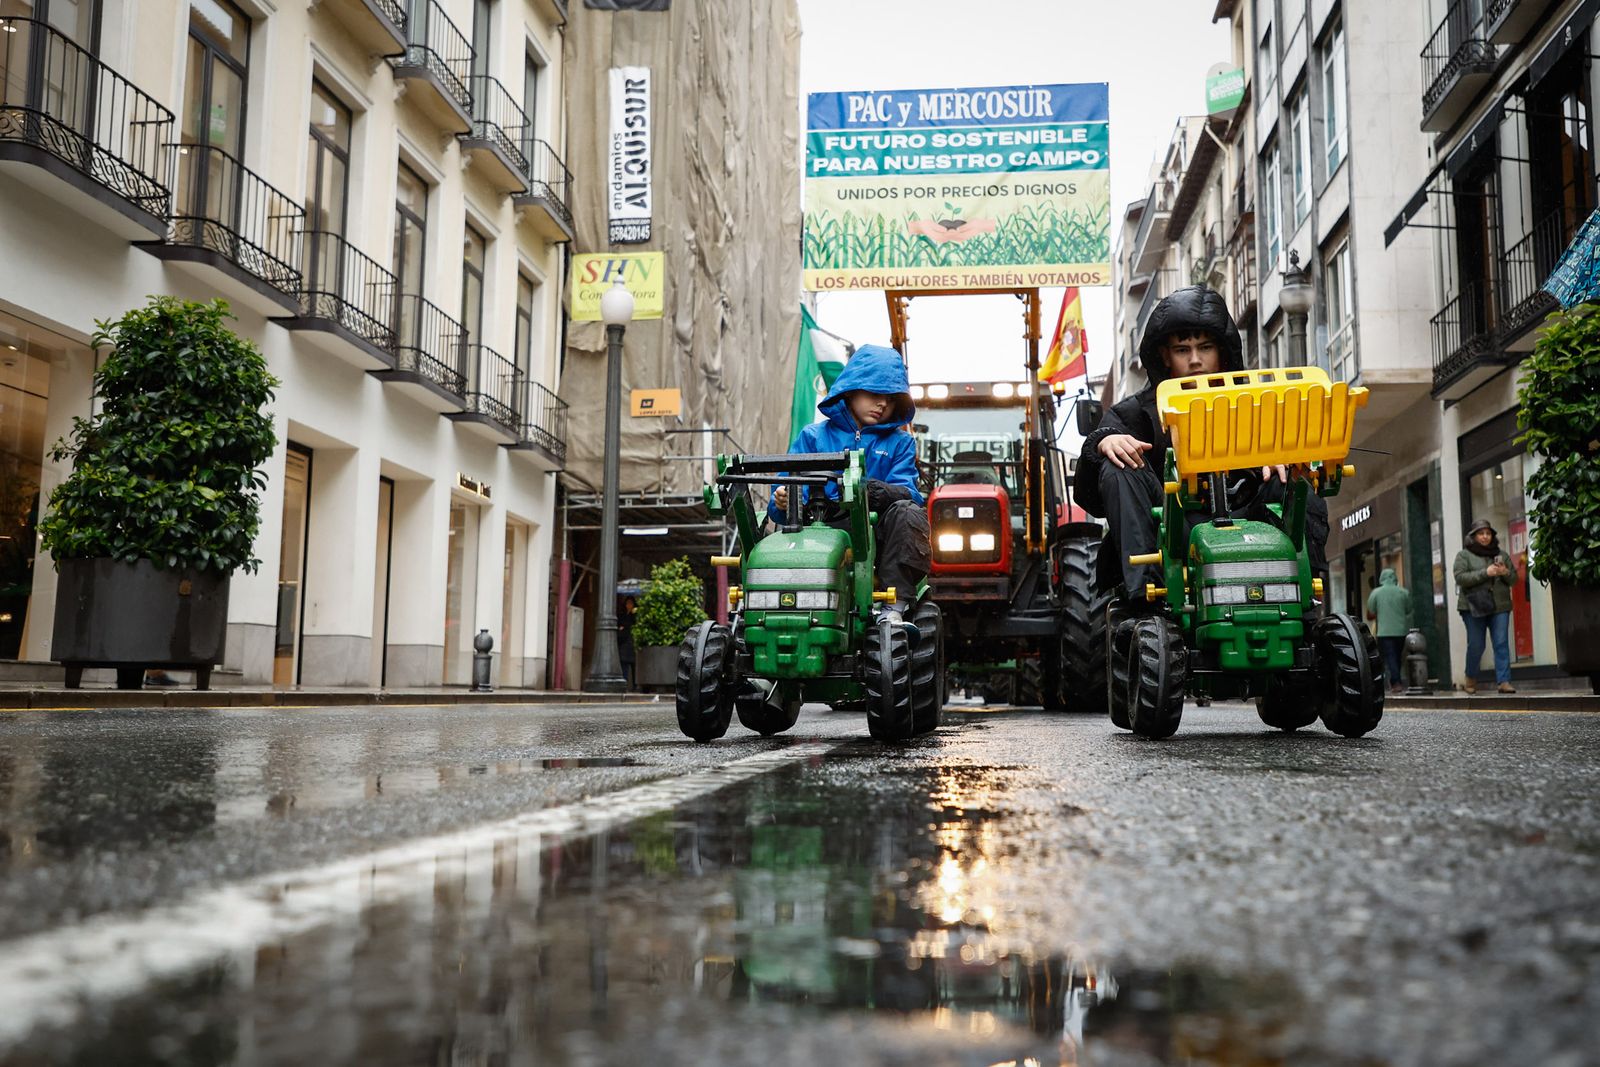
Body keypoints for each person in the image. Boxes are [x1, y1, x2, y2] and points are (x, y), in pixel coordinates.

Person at [1073, 285, 1331, 608]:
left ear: (1221, 351)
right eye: (1183, 350)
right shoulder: (1131, 414)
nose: (1195, 360)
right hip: (1169, 537)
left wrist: (1285, 458)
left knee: (1295, 477)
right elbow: (1089, 496)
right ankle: (1148, 605)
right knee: (1118, 465)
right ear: (1165, 356)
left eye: (1205, 347)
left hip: (1249, 525)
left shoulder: (1258, 404)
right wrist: (1101, 443)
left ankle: (1305, 597)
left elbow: (1302, 458)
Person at [770, 344, 930, 617]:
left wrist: (875, 491)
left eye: (891, 399)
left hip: (875, 534)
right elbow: (784, 491)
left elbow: (910, 493)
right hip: (819, 529)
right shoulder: (812, 437)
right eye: (875, 394)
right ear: (851, 389)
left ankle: (896, 607)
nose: (883, 404)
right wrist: (783, 499)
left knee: (909, 512)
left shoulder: (901, 443)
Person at [1453, 518, 1517, 694]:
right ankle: (1470, 678)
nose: (1485, 537)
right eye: (1481, 533)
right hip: (1473, 605)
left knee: (1501, 642)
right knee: (1476, 644)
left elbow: (1514, 579)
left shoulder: (1501, 554)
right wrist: (1485, 573)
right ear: (1473, 537)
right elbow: (1460, 578)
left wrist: (1505, 572)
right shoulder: (1464, 555)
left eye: (1488, 533)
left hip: (1500, 605)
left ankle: (1504, 681)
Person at [1365, 568, 1413, 693]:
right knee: (1397, 657)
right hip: (1401, 631)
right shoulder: (1404, 593)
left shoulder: (1376, 593)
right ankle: (1395, 680)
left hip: (1384, 631)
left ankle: (1395, 682)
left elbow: (1370, 612)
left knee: (1390, 657)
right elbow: (1408, 610)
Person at [617, 597, 637, 690]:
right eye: (627, 603)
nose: (629, 605)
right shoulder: (622, 615)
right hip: (624, 642)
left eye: (631, 603)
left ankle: (634, 685)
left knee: (634, 666)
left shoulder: (635, 615)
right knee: (624, 664)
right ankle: (625, 683)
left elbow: (629, 625)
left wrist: (624, 626)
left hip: (632, 641)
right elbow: (620, 625)